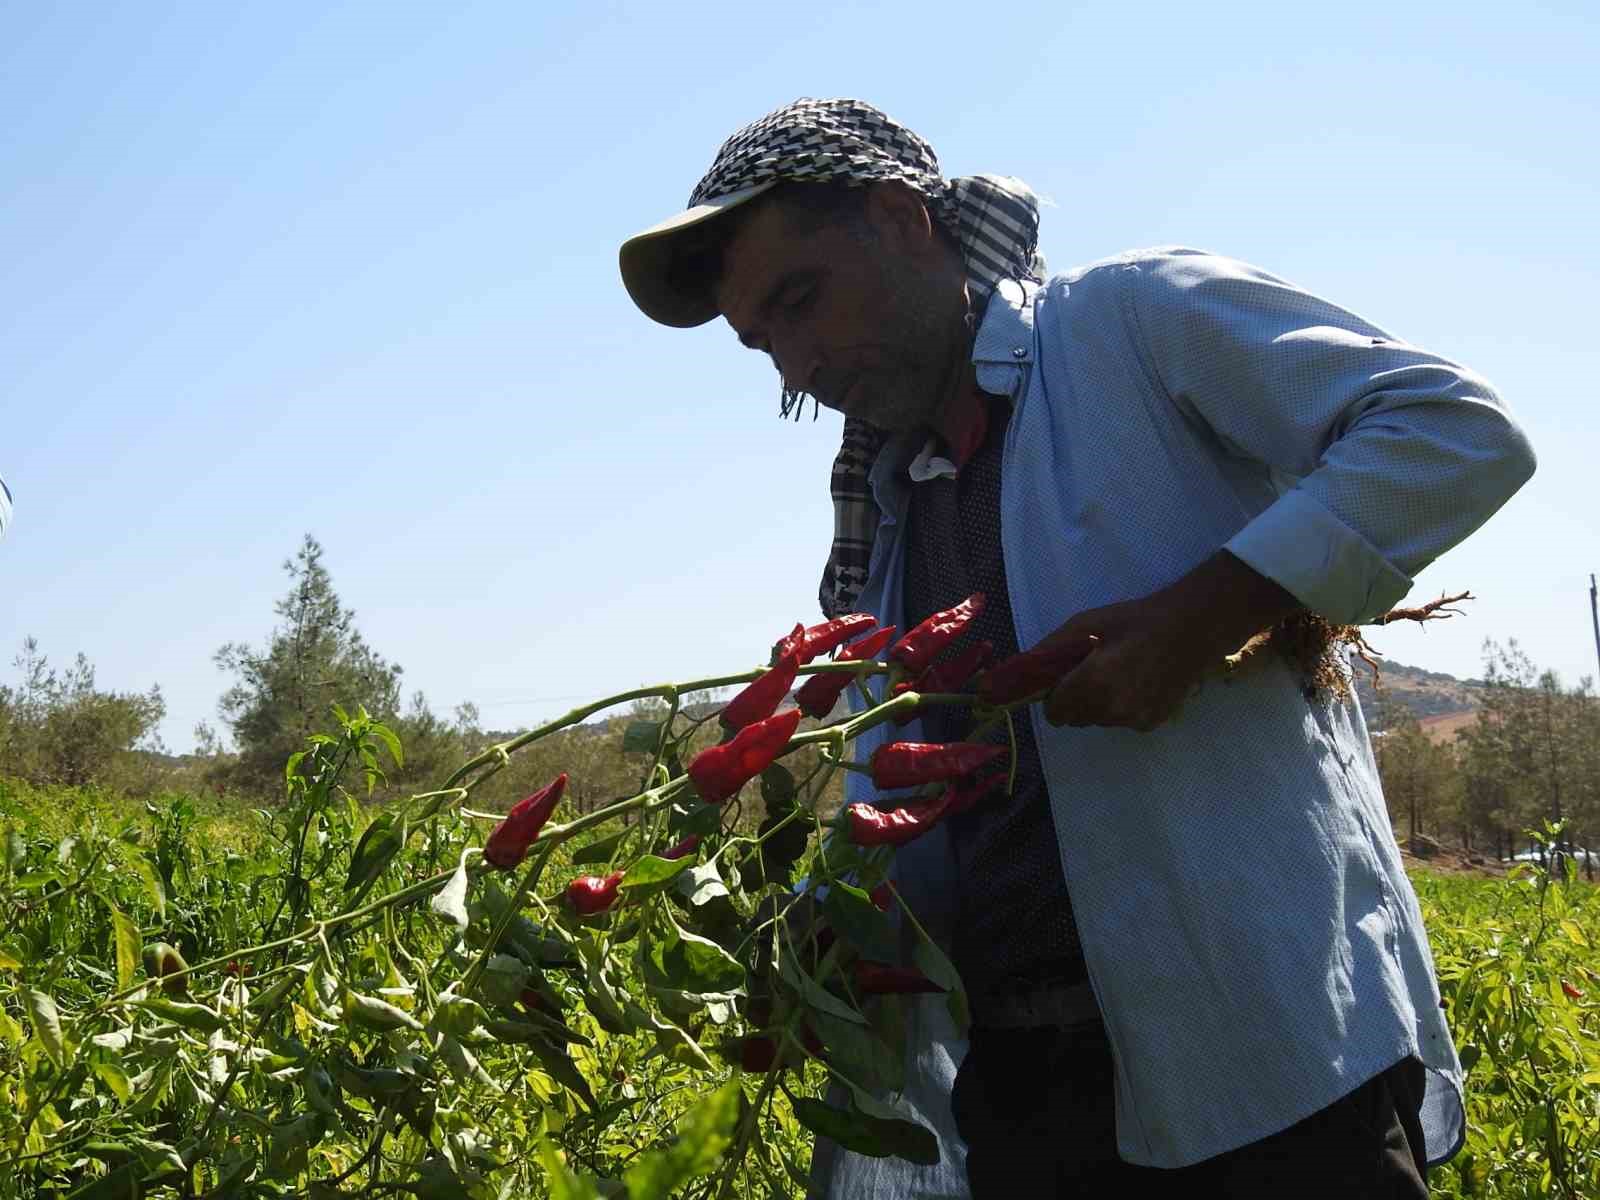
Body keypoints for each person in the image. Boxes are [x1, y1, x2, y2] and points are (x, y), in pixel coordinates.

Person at [619, 98, 1535, 1197]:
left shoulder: (1126, 325)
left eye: (802, 299)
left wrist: (1204, 618)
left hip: (1265, 1059)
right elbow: (929, 799)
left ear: (901, 220)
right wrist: (844, 924)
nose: (798, 366)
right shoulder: (894, 505)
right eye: (764, 342)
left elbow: (1452, 430)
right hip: (1031, 1091)